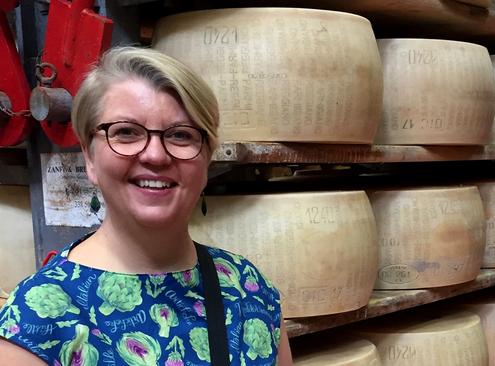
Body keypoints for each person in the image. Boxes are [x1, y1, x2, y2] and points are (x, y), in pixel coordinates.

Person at [0, 47, 293, 365]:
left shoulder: (246, 288)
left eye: (181, 135)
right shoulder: (37, 320)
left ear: (206, 159)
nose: (155, 155)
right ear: (89, 157)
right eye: (126, 132)